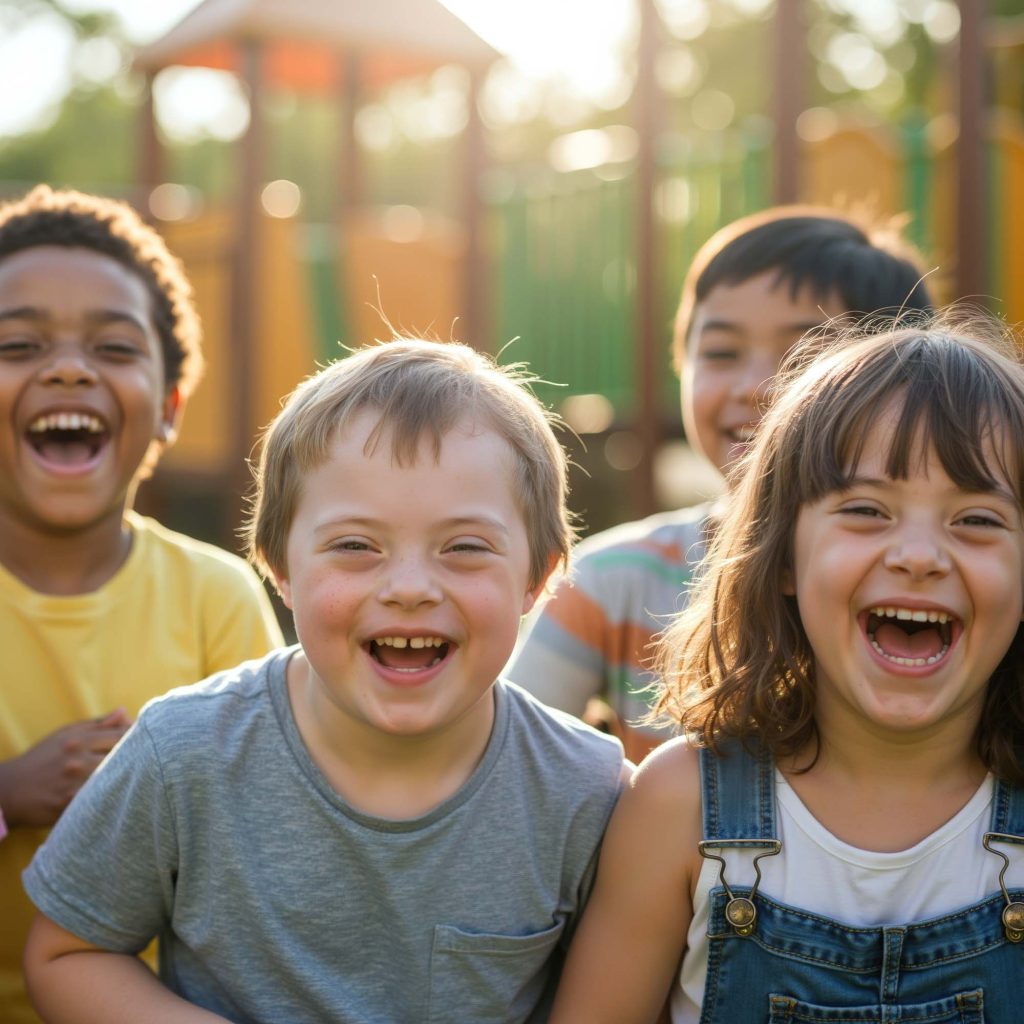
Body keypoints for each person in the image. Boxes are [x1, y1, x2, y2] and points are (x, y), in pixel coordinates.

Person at [21, 337, 626, 1024]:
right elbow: (67, 954)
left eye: (464, 547)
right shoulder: (183, 756)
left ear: (538, 578)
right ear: (279, 568)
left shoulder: (588, 791)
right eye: (355, 546)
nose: (408, 588)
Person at [549, 316, 1024, 1023]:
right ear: (784, 561)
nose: (920, 556)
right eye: (866, 510)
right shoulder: (680, 807)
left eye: (978, 520)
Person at [0, 185, 284, 1023]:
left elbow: (272, 832)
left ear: (167, 410)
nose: (68, 368)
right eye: (18, 342)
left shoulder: (216, 597)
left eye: (114, 348)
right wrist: (9, 796)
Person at [507, 206, 934, 762]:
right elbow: (504, 759)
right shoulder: (613, 582)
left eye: (802, 355)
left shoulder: (920, 579)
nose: (755, 385)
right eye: (721, 352)